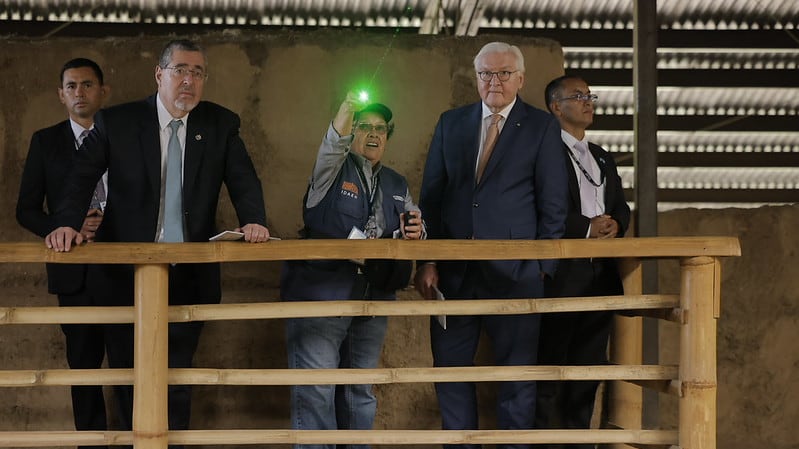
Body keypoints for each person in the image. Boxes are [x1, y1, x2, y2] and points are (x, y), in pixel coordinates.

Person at [44, 40, 270, 440]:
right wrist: (66, 223)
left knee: (177, 378)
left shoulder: (221, 124)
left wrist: (253, 221)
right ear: (159, 74)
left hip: (188, 278)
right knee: (131, 378)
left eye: (198, 73)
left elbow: (243, 180)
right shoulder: (119, 121)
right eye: (180, 69)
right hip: (122, 279)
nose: (189, 80)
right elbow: (80, 175)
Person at [414, 41, 569, 449]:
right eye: (485, 73)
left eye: (502, 73)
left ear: (520, 79)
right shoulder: (452, 122)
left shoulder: (541, 126)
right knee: (449, 372)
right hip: (454, 273)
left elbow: (553, 203)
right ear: (475, 77)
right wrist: (427, 261)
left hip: (518, 275)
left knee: (517, 377)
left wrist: (541, 267)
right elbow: (432, 197)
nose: (493, 81)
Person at [280, 93, 424, 449]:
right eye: (363, 127)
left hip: (373, 297)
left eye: (380, 129)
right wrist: (347, 109)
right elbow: (332, 143)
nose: (373, 134)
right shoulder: (331, 168)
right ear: (351, 132)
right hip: (321, 295)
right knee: (317, 388)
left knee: (360, 390)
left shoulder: (396, 183)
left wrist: (418, 230)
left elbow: (417, 226)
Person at [16, 57, 111, 449]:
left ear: (103, 92)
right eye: (71, 86)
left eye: (87, 85)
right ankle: (90, 444)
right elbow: (25, 209)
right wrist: (62, 227)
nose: (79, 92)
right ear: (60, 94)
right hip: (73, 273)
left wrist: (110, 222)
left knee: (133, 366)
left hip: (123, 267)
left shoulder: (123, 134)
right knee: (84, 371)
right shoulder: (45, 141)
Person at [535, 75, 631, 448]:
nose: (588, 101)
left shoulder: (602, 155)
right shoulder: (544, 152)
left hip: (600, 274)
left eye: (590, 95)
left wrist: (616, 223)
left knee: (588, 371)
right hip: (561, 274)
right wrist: (586, 228)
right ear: (556, 106)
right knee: (549, 369)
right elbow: (541, 209)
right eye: (578, 96)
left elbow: (621, 204)